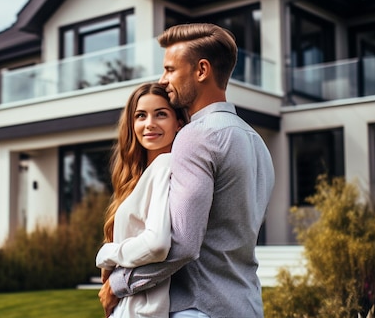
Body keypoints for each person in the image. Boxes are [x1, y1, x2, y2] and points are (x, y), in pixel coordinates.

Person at [100, 23, 275, 318]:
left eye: (170, 69)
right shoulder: (256, 141)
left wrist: (118, 284)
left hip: (198, 308)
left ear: (202, 70)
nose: (163, 79)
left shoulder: (195, 137)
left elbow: (182, 246)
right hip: (245, 305)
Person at [96, 82, 189, 318]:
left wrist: (107, 253)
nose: (149, 123)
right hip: (128, 307)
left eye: (161, 114)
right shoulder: (141, 176)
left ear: (178, 122)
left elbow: (157, 244)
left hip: (140, 311)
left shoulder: (165, 165)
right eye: (140, 116)